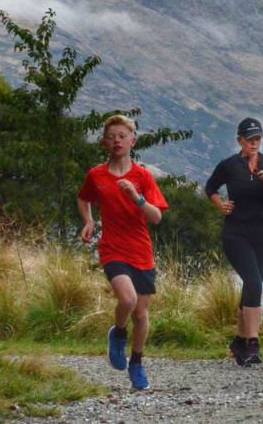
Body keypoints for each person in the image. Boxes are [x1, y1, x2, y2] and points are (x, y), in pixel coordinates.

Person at [78, 114, 168, 391]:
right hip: (112, 249)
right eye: (112, 136)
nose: (117, 140)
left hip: (141, 252)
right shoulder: (97, 175)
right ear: (105, 142)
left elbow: (156, 218)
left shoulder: (142, 176)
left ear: (133, 141)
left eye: (122, 135)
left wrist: (136, 197)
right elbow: (83, 197)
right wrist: (89, 221)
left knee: (141, 315)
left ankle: (137, 363)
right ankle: (118, 334)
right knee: (127, 300)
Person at [205, 117, 263, 366]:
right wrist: (220, 204)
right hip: (236, 234)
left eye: (258, 139)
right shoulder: (229, 165)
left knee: (251, 287)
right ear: (239, 140)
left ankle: (239, 343)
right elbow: (210, 187)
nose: (254, 143)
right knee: (253, 282)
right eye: (249, 139)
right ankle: (253, 343)